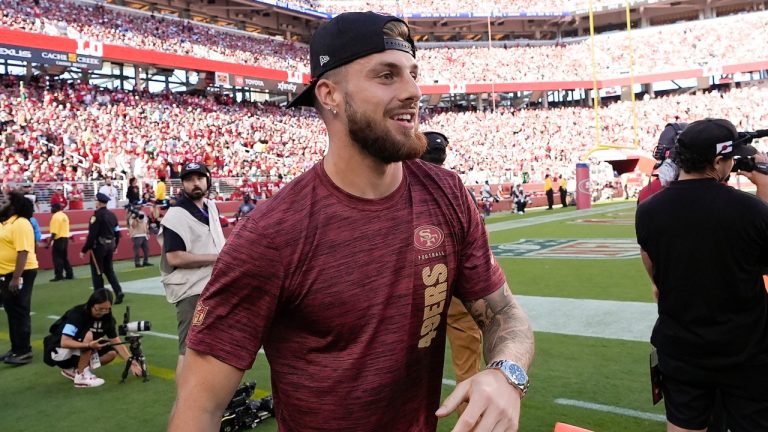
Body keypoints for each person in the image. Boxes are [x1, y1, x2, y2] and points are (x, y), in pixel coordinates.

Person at [170, 12, 534, 432]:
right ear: (330, 95)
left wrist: (507, 372)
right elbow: (198, 409)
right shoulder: (272, 234)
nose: (413, 91)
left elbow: (503, 311)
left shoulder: (447, 193)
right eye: (387, 75)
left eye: (413, 74)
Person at [636, 118, 768, 432]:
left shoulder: (648, 210)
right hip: (745, 350)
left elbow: (656, 277)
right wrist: (764, 186)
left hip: (681, 349)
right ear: (718, 161)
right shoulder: (750, 210)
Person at [420, 131, 483, 410]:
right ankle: (471, 423)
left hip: (415, 285)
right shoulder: (458, 189)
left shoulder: (401, 188)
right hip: (457, 284)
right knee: (467, 368)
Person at [158, 162, 225, 374]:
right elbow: (175, 257)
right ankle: (186, 395)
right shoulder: (175, 215)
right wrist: (217, 258)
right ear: (182, 184)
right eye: (189, 179)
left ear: (208, 180)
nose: (195, 183)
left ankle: (212, 391)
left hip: (215, 285)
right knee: (189, 350)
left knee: (216, 346)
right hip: (192, 290)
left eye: (199, 178)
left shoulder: (211, 207)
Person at [43, 289, 142, 388]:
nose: (102, 312)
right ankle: (81, 376)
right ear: (91, 304)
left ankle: (74, 371)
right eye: (99, 309)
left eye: (107, 309)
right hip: (60, 352)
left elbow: (115, 340)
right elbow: (64, 342)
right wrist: (88, 345)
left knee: (111, 353)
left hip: (79, 349)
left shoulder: (108, 319)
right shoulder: (77, 313)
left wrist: (131, 362)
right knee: (89, 335)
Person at [0, 191, 39, 365]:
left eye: (5, 201)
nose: (1, 203)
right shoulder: (6, 223)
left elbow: (23, 251)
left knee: (20, 310)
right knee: (11, 311)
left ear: (13, 206)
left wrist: (16, 278)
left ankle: (24, 351)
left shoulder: (21, 223)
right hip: (6, 273)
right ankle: (16, 348)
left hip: (21, 272)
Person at [80, 193, 124, 304]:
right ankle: (118, 291)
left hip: (99, 247)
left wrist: (84, 250)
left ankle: (99, 297)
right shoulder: (112, 215)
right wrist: (116, 245)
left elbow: (92, 235)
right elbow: (117, 232)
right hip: (110, 245)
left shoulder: (96, 216)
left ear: (99, 203)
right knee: (109, 270)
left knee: (97, 272)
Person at [46, 202, 73, 281]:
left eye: (52, 207)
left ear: (55, 208)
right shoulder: (64, 215)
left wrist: (49, 243)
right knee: (64, 257)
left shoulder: (55, 217)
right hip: (65, 238)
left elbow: (54, 232)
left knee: (57, 258)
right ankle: (69, 274)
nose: (51, 209)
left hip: (58, 239)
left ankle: (59, 275)